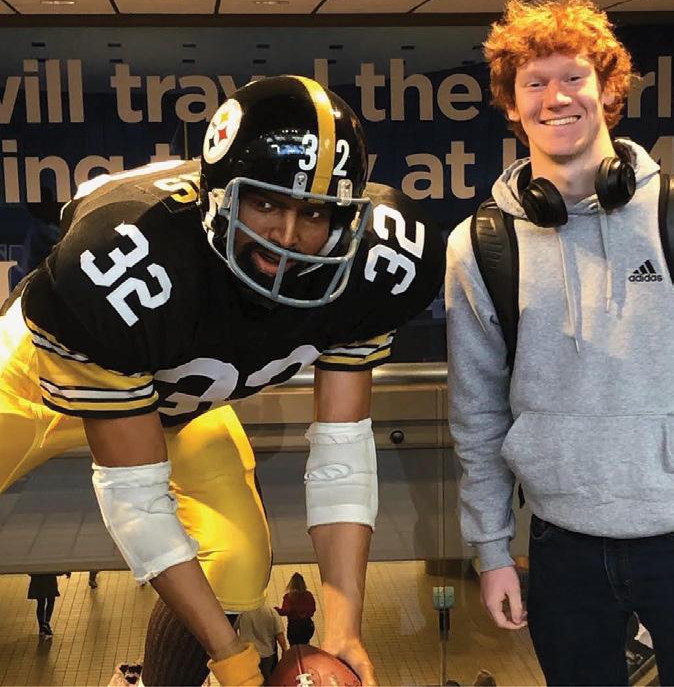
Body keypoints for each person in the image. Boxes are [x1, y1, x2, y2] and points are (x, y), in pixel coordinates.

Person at [0, 75, 444, 686]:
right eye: (266, 204)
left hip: (177, 403)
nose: (287, 237)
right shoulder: (132, 259)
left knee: (236, 561)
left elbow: (342, 456)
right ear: (216, 196)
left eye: (315, 212)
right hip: (34, 381)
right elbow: (135, 499)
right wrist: (230, 658)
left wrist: (343, 631)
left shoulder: (374, 265)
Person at [445, 0, 674, 686]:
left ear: (608, 89)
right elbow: (477, 415)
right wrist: (491, 551)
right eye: (534, 83)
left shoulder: (669, 215)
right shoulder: (481, 245)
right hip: (561, 546)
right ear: (512, 105)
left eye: (573, 76)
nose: (556, 98)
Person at [238, 598, 288, 681]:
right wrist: (284, 650)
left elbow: (232, 631)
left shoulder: (241, 612)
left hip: (248, 654)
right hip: (267, 655)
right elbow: (279, 634)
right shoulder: (271, 612)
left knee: (250, 680)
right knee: (267, 679)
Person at [276, 572, 316, 645]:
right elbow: (313, 610)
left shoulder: (289, 596)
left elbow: (286, 611)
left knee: (295, 648)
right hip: (307, 625)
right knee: (306, 645)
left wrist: (275, 610)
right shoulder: (308, 595)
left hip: (294, 627)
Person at [27, 571, 70, 638]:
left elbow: (29, 571)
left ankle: (41, 626)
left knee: (40, 603)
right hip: (49, 580)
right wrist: (64, 571)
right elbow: (54, 569)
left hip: (37, 580)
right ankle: (46, 622)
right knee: (51, 601)